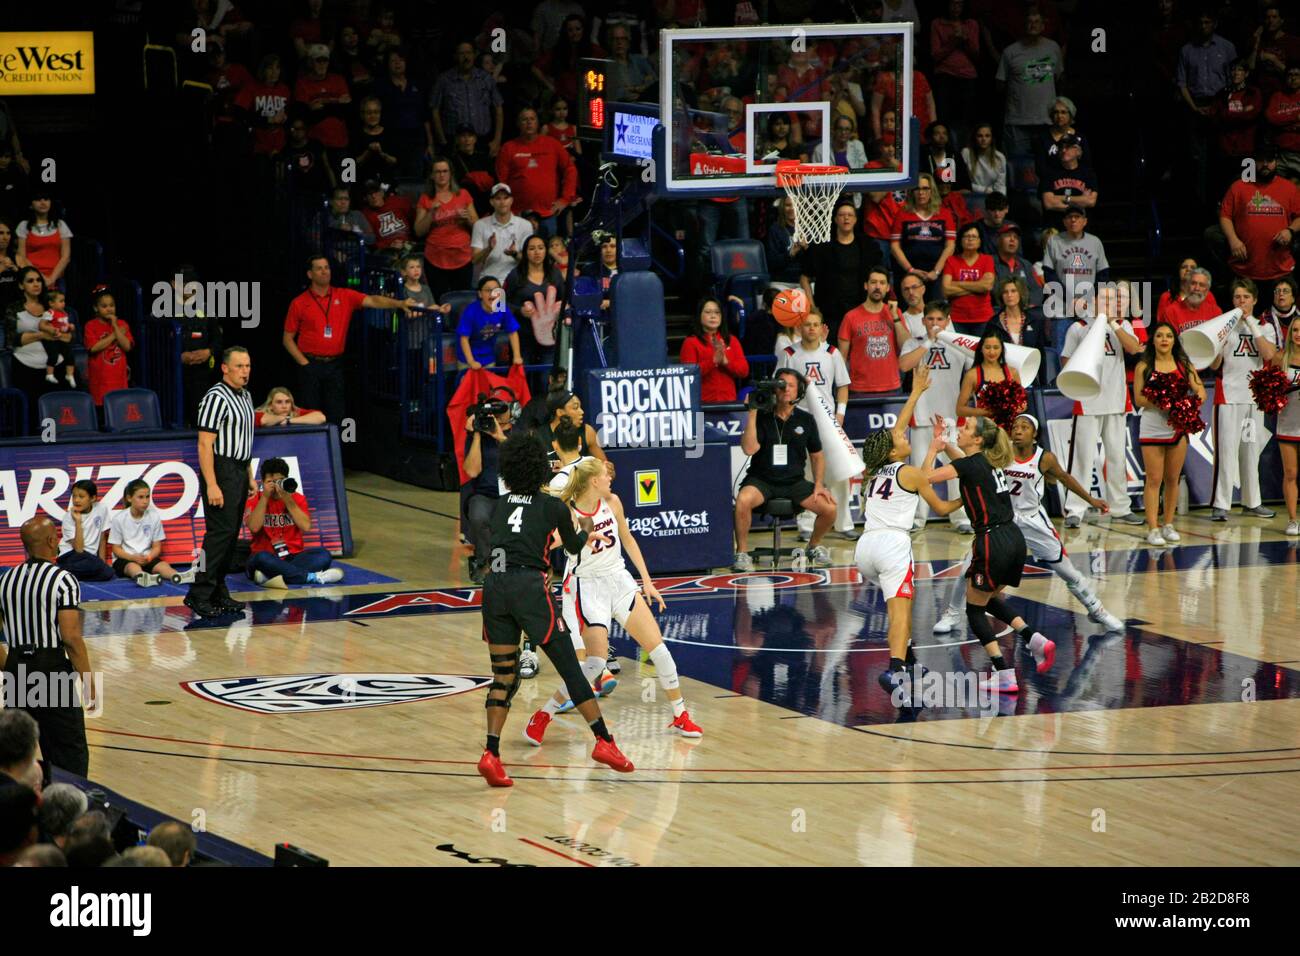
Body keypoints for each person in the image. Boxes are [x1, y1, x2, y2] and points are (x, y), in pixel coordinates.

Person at [475, 431, 633, 787]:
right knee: (572, 670)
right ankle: (605, 743)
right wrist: (587, 527)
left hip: (494, 588)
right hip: (528, 589)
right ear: (538, 469)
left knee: (504, 675)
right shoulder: (552, 507)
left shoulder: (499, 506)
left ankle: (491, 753)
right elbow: (574, 547)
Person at [524, 457, 702, 743]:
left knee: (659, 650)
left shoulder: (614, 502)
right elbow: (547, 543)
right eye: (606, 475)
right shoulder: (568, 513)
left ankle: (680, 714)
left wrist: (647, 581)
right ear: (594, 481)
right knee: (594, 665)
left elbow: (628, 538)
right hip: (589, 587)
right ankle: (544, 714)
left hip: (619, 581)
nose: (611, 478)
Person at [935, 413, 1125, 636]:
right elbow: (968, 464)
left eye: (1024, 427)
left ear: (1035, 434)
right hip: (1002, 521)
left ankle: (1097, 609)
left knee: (1067, 571)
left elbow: (1065, 478)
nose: (1018, 430)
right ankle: (952, 614)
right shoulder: (1000, 454)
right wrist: (944, 443)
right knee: (968, 568)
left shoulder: (1045, 458)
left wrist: (1091, 500)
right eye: (1015, 426)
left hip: (1034, 520)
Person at [924, 416, 1056, 694]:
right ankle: (1034, 639)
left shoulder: (969, 464)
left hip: (991, 541)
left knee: (973, 609)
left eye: (967, 428)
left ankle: (1004, 673)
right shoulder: (986, 461)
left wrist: (933, 449)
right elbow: (963, 461)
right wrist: (946, 441)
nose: (961, 428)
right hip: (1013, 540)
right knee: (988, 598)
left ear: (979, 439)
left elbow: (924, 478)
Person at [856, 367, 960, 703]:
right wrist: (971, 496)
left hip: (865, 547)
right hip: (893, 546)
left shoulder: (874, 470)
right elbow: (942, 508)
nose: (902, 436)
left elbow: (900, 435)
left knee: (904, 604)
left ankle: (911, 662)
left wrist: (915, 393)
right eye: (899, 440)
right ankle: (896, 669)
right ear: (892, 451)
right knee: (900, 614)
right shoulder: (911, 472)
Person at [0, 516, 95, 777]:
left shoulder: (6, 581)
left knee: (15, 756)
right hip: (51, 670)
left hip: (17, 669)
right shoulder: (63, 580)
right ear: (53, 540)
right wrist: (88, 682)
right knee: (68, 756)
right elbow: (71, 638)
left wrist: (13, 668)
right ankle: (66, 813)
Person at [283, 255, 418, 424]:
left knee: (337, 412)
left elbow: (373, 300)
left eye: (327, 267)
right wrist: (304, 364)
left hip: (335, 364)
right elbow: (287, 339)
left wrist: (398, 303)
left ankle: (338, 448)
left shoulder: (344, 295)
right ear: (310, 274)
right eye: (319, 268)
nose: (325, 271)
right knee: (309, 412)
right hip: (310, 364)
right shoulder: (299, 302)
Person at [732, 368, 838, 572]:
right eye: (781, 385)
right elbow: (749, 448)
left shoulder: (806, 420)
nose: (786, 389)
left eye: (791, 385)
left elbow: (817, 455)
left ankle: (813, 547)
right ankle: (742, 552)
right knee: (743, 500)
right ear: (774, 390)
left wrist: (818, 484)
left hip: (794, 482)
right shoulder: (762, 416)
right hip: (762, 480)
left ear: (799, 391)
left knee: (830, 508)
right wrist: (752, 413)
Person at [1058, 290, 1144, 527]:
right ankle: (1075, 509)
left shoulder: (1123, 325)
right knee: (1083, 457)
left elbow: (1135, 348)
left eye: (1113, 299)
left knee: (1117, 456)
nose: (1109, 303)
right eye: (1104, 299)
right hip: (1087, 401)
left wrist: (1113, 322)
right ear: (1093, 301)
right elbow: (1065, 360)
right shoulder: (1079, 327)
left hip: (1116, 399)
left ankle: (1120, 507)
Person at [184, 347, 256, 619]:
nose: (245, 371)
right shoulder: (215, 397)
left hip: (238, 468)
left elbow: (244, 439)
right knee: (217, 535)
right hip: (221, 469)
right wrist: (212, 484)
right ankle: (198, 592)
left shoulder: (246, 396)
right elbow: (205, 444)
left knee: (230, 535)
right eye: (239, 366)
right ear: (225, 368)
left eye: (248, 365)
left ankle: (218, 589)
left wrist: (248, 474)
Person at [898, 301, 972, 532]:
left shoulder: (960, 344)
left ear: (948, 320)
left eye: (940, 319)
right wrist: (930, 341)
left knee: (956, 470)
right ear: (923, 321)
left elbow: (974, 373)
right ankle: (919, 518)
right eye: (930, 319)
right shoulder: (914, 342)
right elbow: (903, 365)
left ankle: (960, 518)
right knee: (921, 470)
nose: (935, 323)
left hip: (950, 417)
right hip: (921, 416)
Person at [1209, 279, 1279, 522]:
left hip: (1254, 398)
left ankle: (1252, 502)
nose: (1242, 301)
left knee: (1251, 451)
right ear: (1233, 301)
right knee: (1226, 451)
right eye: (1237, 297)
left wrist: (1250, 321)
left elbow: (1269, 354)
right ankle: (1221, 504)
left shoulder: (1265, 327)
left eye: (1246, 297)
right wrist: (1219, 342)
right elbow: (1215, 365)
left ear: (1255, 300)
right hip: (1228, 396)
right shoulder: (1223, 326)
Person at [780, 312, 854, 540]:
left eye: (815, 325)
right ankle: (806, 525)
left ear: (822, 328)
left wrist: (840, 415)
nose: (811, 329)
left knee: (840, 472)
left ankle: (844, 524)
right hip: (799, 421)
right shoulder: (789, 354)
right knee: (805, 473)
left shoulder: (832, 353)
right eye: (806, 325)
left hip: (829, 421)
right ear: (799, 328)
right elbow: (780, 386)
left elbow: (842, 386)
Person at [1134, 321, 1206, 546]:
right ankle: (1153, 528)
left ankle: (1168, 524)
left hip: (1177, 427)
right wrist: (1165, 402)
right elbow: (1139, 399)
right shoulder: (1144, 367)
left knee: (1172, 478)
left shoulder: (1184, 364)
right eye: (1159, 336)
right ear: (1152, 340)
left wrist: (1189, 404)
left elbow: (1201, 391)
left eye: (1169, 336)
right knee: (1154, 479)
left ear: (1175, 340)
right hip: (1152, 426)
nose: (1164, 339)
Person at [1210, 146, 1300, 308]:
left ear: (1276, 162)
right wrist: (1233, 240)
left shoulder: (1289, 188)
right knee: (1242, 323)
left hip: (1280, 270)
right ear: (1253, 162)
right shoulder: (1239, 186)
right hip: (1244, 270)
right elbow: (1225, 216)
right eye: (1261, 161)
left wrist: (1290, 230)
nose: (1265, 164)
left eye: (1269, 160)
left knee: (1284, 320)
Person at [997, 9, 1064, 203]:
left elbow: (1059, 78)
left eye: (1037, 21)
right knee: (1019, 175)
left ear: (1043, 25)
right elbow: (999, 84)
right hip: (1018, 122)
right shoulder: (1010, 52)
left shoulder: (1053, 48)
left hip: (1046, 122)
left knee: (1050, 171)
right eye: (1029, 21)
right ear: (1023, 25)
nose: (1033, 25)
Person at [245, 457, 343, 589]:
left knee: (323, 555)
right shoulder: (255, 499)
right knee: (262, 558)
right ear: (262, 482)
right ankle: (311, 577)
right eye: (271, 482)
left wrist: (287, 499)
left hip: (293, 556)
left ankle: (270, 576)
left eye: (279, 481)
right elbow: (254, 528)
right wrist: (265, 497)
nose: (275, 486)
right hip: (265, 556)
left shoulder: (297, 498)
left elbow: (306, 526)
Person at [1176, 11, 1237, 205]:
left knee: (1222, 154)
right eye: (1200, 22)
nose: (1204, 26)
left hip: (1220, 106)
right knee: (1196, 158)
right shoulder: (1186, 50)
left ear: (1214, 23)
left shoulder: (1227, 47)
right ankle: (1199, 201)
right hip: (1196, 106)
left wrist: (1222, 107)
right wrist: (1194, 108)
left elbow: (1234, 79)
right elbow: (1181, 83)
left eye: (1207, 22)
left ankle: (1222, 200)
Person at [496, 108, 579, 238]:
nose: (529, 122)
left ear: (538, 122)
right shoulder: (508, 148)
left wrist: (565, 199)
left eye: (532, 119)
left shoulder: (552, 144)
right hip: (518, 215)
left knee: (549, 253)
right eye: (524, 119)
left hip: (548, 213)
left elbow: (570, 169)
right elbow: (501, 182)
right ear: (518, 124)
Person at [462, 396, 513, 584]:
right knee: (479, 515)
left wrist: (500, 437)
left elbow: (522, 459)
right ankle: (485, 564)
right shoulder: (478, 437)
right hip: (485, 494)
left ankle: (507, 566)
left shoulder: (517, 434)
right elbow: (472, 471)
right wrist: (476, 434)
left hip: (513, 495)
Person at [414, 158, 478, 298]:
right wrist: (431, 213)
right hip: (435, 259)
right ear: (432, 175)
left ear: (450, 174)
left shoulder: (463, 194)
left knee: (462, 301)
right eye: (437, 172)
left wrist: (467, 219)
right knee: (441, 301)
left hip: (462, 257)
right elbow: (418, 231)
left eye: (445, 171)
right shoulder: (426, 198)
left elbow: (478, 228)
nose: (441, 175)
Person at [889, 173, 956, 303]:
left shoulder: (944, 214)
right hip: (908, 271)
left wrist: (936, 272)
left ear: (932, 191)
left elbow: (950, 246)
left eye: (925, 188)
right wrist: (911, 270)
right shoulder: (902, 214)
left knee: (936, 311)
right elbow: (894, 246)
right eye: (917, 189)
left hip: (936, 272)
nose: (921, 193)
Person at [429, 40, 503, 156]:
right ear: (455, 56)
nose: (466, 57)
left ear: (474, 55)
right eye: (461, 53)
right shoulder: (444, 80)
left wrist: (497, 140)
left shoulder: (485, 79)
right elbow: (434, 110)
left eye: (469, 53)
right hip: (454, 143)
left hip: (483, 141)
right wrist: (442, 140)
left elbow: (498, 109)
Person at [109, 479, 188, 587]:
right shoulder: (119, 519)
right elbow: (116, 549)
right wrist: (133, 557)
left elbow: (157, 546)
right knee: (132, 567)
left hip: (146, 557)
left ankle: (176, 576)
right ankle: (141, 576)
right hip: (126, 558)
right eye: (140, 497)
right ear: (129, 498)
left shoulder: (154, 516)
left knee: (163, 565)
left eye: (147, 497)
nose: (145, 501)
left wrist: (149, 557)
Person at [837, 268, 902, 395]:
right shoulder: (850, 317)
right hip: (859, 389)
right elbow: (841, 359)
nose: (877, 287)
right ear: (866, 286)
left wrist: (895, 316)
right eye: (873, 282)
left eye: (882, 283)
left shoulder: (896, 313)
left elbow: (906, 345)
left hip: (892, 387)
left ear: (888, 287)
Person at [505, 235, 564, 368]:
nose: (537, 252)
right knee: (522, 380)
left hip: (549, 336)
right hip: (522, 336)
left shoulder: (555, 274)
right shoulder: (515, 275)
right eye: (532, 249)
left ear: (546, 251)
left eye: (540, 248)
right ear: (525, 252)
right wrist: (519, 310)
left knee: (545, 380)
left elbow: (564, 300)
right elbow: (500, 305)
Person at [1042, 208, 1109, 320]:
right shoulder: (1054, 241)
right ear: (1064, 221)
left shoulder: (1095, 242)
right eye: (1069, 217)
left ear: (1085, 221)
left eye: (1077, 216)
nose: (1073, 220)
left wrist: (1086, 298)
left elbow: (1103, 274)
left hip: (1088, 307)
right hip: (1061, 309)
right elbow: (1049, 274)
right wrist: (1069, 299)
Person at [680, 297, 749, 403]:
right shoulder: (690, 342)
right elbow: (688, 375)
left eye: (717, 312)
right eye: (708, 312)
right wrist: (713, 361)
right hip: (700, 406)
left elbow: (744, 371)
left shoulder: (731, 340)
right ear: (699, 316)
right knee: (699, 420)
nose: (713, 316)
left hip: (728, 404)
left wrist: (726, 362)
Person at [955, 331, 1027, 424]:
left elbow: (1023, 404)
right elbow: (960, 410)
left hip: (1008, 429)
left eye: (996, 347)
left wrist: (1010, 409)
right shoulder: (972, 375)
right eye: (987, 347)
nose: (992, 352)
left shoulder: (1012, 372)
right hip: (984, 429)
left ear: (1002, 349)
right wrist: (987, 412)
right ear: (981, 349)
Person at [470, 184, 535, 284]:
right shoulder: (480, 225)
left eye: (506, 198)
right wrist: (488, 249)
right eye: (498, 198)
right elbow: (475, 260)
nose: (502, 202)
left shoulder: (525, 225)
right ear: (491, 202)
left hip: (517, 280)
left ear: (511, 200)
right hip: (489, 280)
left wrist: (514, 254)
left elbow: (531, 260)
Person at [457, 275, 523, 371]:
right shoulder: (471, 311)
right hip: (466, 358)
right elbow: (464, 339)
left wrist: (517, 356)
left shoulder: (502, 308)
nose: (493, 294)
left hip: (488, 357)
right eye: (488, 290)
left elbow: (513, 332)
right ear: (480, 294)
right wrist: (471, 362)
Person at [1272, 318, 1300, 535]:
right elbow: (1268, 389)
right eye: (1296, 330)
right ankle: (1292, 519)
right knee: (1290, 472)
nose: (1298, 334)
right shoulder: (1281, 358)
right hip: (1288, 423)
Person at [941, 223, 996, 334]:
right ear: (960, 240)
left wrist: (956, 284)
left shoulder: (987, 260)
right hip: (957, 318)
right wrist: (977, 286)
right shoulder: (951, 260)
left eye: (974, 236)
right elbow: (946, 290)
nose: (970, 239)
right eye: (966, 236)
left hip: (983, 317)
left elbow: (987, 286)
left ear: (980, 241)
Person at [56, 480, 114, 582]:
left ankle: (69, 576)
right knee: (103, 570)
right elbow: (78, 549)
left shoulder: (102, 508)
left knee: (107, 573)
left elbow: (102, 538)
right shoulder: (68, 517)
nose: (76, 500)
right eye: (74, 496)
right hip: (70, 555)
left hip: (90, 558)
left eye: (81, 496)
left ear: (93, 498)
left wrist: (102, 562)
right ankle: (65, 573)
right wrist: (78, 521)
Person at [15, 189, 71, 287]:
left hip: (57, 278)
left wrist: (52, 279)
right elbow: (21, 257)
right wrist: (40, 278)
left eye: (46, 199)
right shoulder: (23, 225)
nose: (43, 202)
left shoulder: (60, 225)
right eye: (38, 199)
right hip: (32, 279)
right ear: (31, 205)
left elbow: (65, 257)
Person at [985, 276, 1048, 358]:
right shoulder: (994, 323)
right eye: (1005, 292)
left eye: (1013, 291)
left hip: (1029, 368)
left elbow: (1040, 354)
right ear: (1001, 296)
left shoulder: (1034, 321)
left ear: (1021, 293)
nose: (1009, 295)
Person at [1038, 134, 1098, 214]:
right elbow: (1049, 203)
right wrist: (1080, 200)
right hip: (1055, 223)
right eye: (1061, 147)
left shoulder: (1088, 174)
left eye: (1068, 147)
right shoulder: (1049, 173)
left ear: (1078, 151)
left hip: (1080, 224)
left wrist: (1059, 198)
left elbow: (1090, 201)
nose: (1063, 150)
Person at [360, 180, 415, 261]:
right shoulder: (365, 214)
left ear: (382, 193)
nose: (374, 196)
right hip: (385, 249)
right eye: (370, 194)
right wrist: (388, 245)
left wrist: (406, 240)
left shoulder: (398, 201)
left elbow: (415, 221)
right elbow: (370, 241)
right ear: (365, 198)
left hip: (407, 243)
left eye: (376, 192)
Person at [351, 97, 399, 184]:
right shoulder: (355, 135)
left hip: (386, 181)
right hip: (361, 181)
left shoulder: (390, 134)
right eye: (369, 113)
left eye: (376, 112)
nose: (373, 116)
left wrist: (381, 154)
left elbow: (395, 161)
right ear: (362, 115)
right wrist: (368, 152)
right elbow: (351, 165)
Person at [764, 197, 808, 289]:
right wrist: (791, 254)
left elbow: (818, 262)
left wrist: (806, 248)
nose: (792, 208)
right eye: (788, 205)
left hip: (805, 281)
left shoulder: (809, 229)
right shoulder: (775, 229)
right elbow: (772, 262)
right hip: (781, 281)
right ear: (782, 208)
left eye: (795, 205)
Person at [1265, 64, 1300, 179]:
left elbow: (1278, 119)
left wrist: (1283, 125)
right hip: (1281, 154)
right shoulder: (1278, 96)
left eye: (1297, 75)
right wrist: (1296, 117)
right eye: (1290, 75)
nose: (1293, 78)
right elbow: (1271, 118)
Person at [962, 123, 1008, 209]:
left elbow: (1001, 185)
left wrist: (1000, 203)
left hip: (992, 198)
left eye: (987, 136)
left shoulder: (999, 157)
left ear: (991, 138)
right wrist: (984, 190)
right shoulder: (966, 153)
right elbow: (963, 183)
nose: (983, 139)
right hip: (971, 196)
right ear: (975, 138)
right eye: (980, 136)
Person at [1164, 266, 1221, 331]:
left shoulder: (1216, 312)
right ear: (1186, 286)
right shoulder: (1171, 312)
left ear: (1207, 290)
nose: (1197, 288)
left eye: (1201, 285)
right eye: (1193, 283)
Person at [38, 289, 76, 388]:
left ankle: (69, 375)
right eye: (61, 301)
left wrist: (70, 326)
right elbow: (42, 325)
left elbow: (65, 325)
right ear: (51, 303)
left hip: (62, 338)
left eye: (64, 301)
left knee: (70, 356)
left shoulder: (64, 313)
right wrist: (52, 330)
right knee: (53, 355)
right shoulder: (49, 313)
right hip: (52, 339)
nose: (64, 303)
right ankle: (49, 375)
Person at [255, 385, 325, 427]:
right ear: (270, 405)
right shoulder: (257, 414)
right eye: (279, 402)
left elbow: (321, 417)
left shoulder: (295, 413)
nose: (284, 406)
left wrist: (289, 420)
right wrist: (281, 418)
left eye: (287, 402)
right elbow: (263, 421)